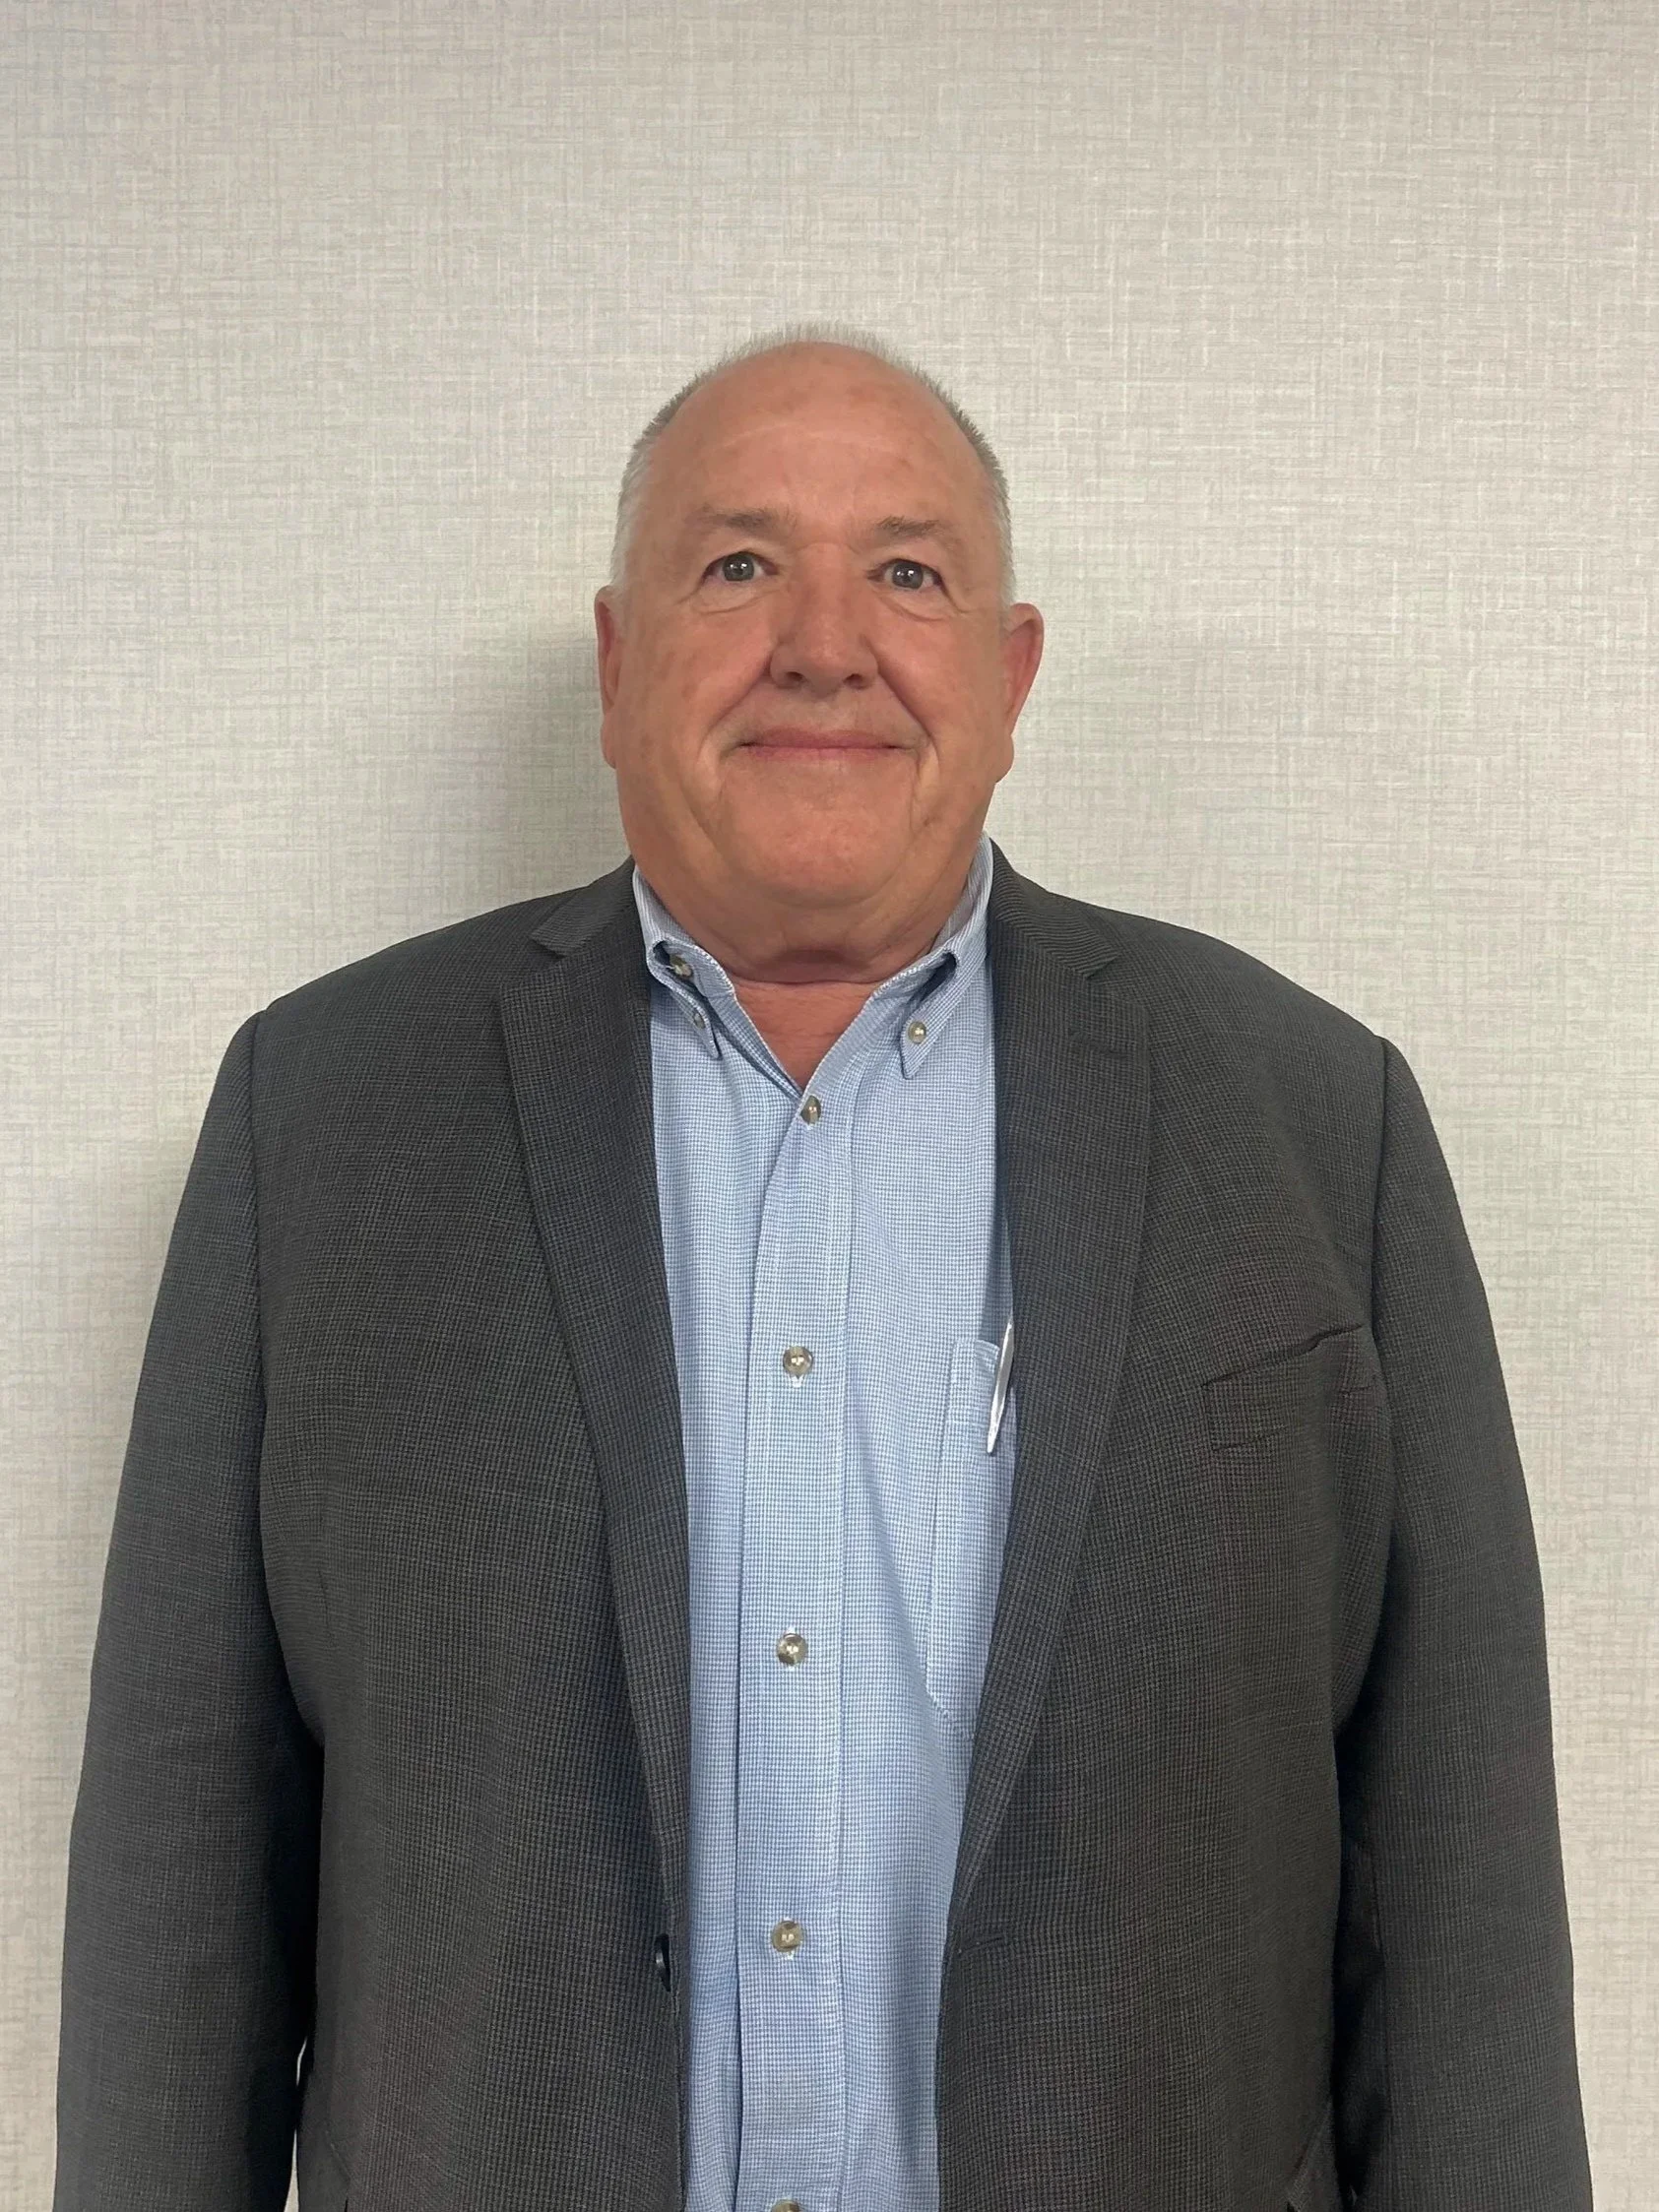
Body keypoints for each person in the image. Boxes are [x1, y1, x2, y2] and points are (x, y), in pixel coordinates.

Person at [54, 330, 1592, 2212]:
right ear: (620, 667)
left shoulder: (1311, 1124)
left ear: (1011, 676)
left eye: (909, 571)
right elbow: (176, 1893)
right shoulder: (324, 1120)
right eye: (737, 564)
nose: (823, 641)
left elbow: (1462, 1910)